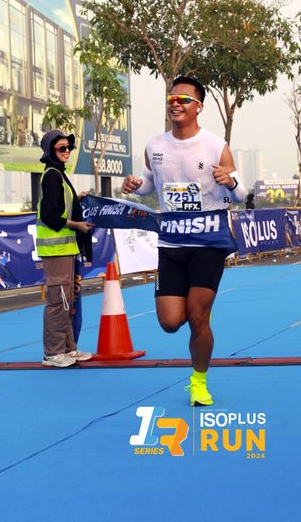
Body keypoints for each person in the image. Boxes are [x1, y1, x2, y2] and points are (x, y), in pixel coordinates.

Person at [122, 76, 246, 406]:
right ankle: (196, 320)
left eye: (183, 99)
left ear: (198, 107)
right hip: (171, 243)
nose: (175, 103)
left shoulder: (215, 145)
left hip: (208, 241)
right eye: (171, 99)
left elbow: (241, 194)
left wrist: (230, 182)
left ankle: (199, 382)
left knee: (197, 317)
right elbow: (150, 184)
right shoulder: (154, 146)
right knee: (170, 322)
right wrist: (136, 185)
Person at [36, 129, 94, 368]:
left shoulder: (58, 174)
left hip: (65, 249)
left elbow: (60, 207)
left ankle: (68, 348)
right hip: (56, 250)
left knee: (67, 300)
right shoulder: (52, 175)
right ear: (50, 151)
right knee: (58, 301)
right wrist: (77, 225)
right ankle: (53, 353)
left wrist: (77, 200)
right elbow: (49, 216)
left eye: (68, 147)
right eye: (61, 148)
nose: (67, 151)